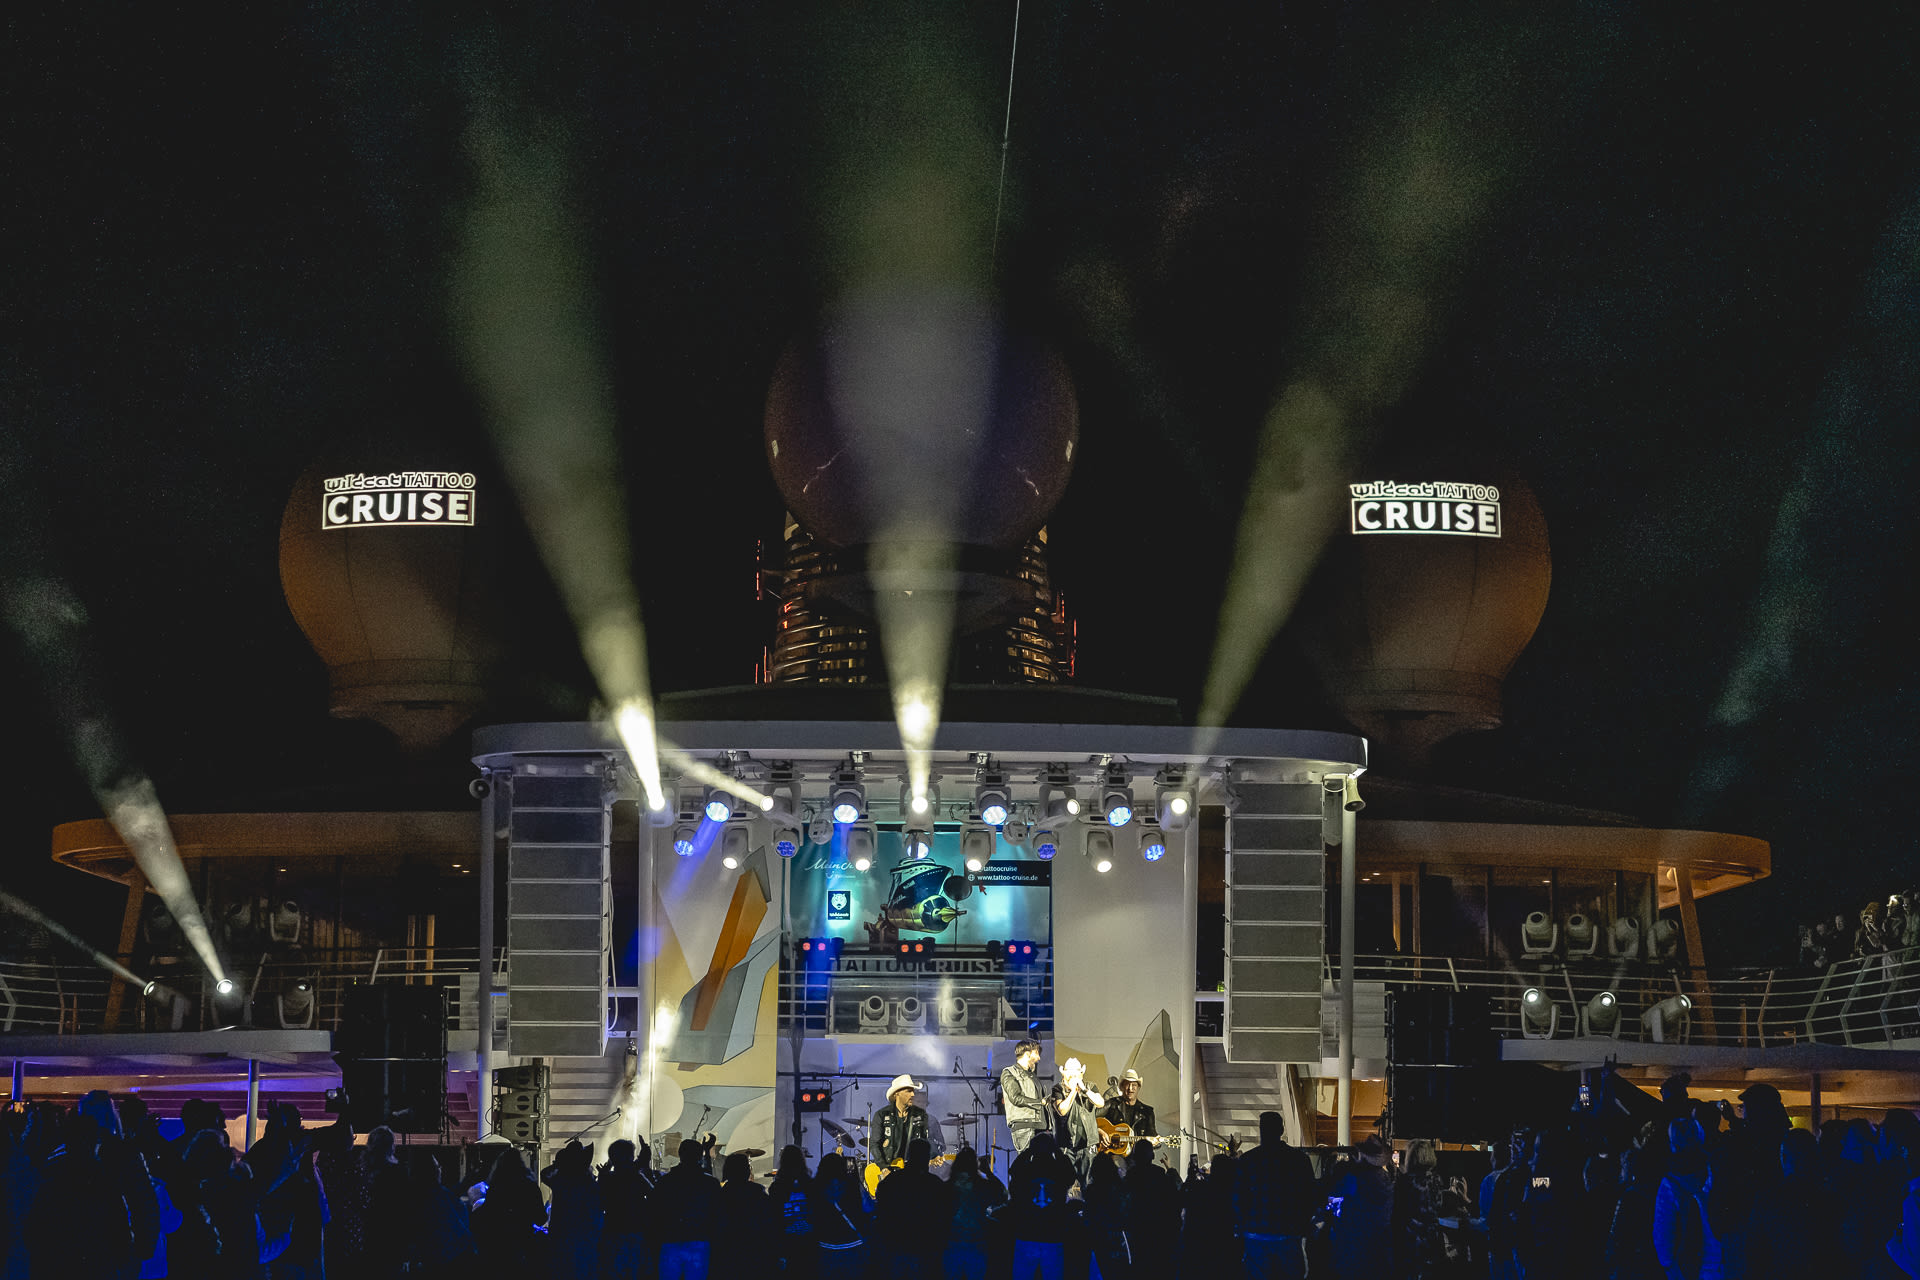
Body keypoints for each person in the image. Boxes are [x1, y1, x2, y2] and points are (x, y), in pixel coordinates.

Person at [1233, 1110, 1316, 1280]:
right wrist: (1303, 1223)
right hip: (1289, 1233)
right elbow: (1310, 1196)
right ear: (1281, 1130)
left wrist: (1242, 1224)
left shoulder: (1248, 1160)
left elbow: (1238, 1198)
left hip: (1256, 1234)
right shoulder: (1299, 1160)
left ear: (1261, 1130)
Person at [1652, 1115, 1719, 1280]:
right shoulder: (1715, 1172)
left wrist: (1668, 1266)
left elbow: (1663, 1232)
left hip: (1685, 1267)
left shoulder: (1670, 1183)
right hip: (1717, 1262)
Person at [873, 1137, 948, 1277]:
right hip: (925, 1248)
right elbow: (943, 1215)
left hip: (896, 1246)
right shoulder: (935, 1184)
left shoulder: (892, 1181)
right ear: (926, 1158)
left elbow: (880, 1202)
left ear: (909, 1156)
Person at [651, 1138, 721, 1280]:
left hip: (670, 1240)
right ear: (699, 1155)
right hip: (699, 1240)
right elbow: (717, 1214)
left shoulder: (665, 1182)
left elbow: (654, 1212)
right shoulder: (710, 1183)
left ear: (680, 1154)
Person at [1327, 1136, 1394, 1279]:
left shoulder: (1354, 1178)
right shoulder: (1386, 1179)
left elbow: (1332, 1195)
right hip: (1378, 1245)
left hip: (1354, 1245)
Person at [542, 1140, 603, 1280]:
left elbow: (544, 1174)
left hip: (560, 1238)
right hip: (583, 1241)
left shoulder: (560, 1182)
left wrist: (558, 1164)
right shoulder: (589, 1184)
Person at [942, 1147, 1004, 1280]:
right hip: (977, 1243)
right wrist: (988, 1172)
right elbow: (1002, 1195)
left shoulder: (946, 1187)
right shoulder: (982, 1185)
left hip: (952, 1242)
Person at [599, 1139, 654, 1280]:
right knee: (635, 1272)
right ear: (629, 1157)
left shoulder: (607, 1178)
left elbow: (600, 1203)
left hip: (613, 1232)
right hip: (635, 1233)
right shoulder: (636, 1178)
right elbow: (655, 1196)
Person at [714, 1151, 776, 1275]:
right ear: (746, 1171)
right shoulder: (757, 1192)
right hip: (754, 1249)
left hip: (728, 1249)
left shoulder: (721, 1194)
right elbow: (769, 1221)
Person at [811, 1152, 870, 1280]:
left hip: (826, 1247)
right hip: (853, 1245)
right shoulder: (853, 1184)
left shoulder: (815, 1188)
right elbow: (868, 1207)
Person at [1049, 1058, 1104, 1187]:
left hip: (1087, 1146)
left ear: (1081, 1074)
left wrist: (1084, 1090)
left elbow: (1100, 1103)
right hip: (1066, 1147)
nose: (1074, 1077)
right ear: (1064, 1075)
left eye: (1076, 1074)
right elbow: (1061, 1110)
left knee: (1089, 1184)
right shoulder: (1058, 1089)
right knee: (1063, 1184)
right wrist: (1074, 1091)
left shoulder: (1090, 1086)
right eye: (1070, 1075)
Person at [870, 1074, 934, 1180]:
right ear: (897, 1094)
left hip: (912, 1172)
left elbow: (925, 1141)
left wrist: (933, 1156)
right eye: (908, 1091)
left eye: (913, 1091)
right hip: (889, 1169)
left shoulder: (920, 1115)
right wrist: (884, 1168)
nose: (913, 1094)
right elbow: (874, 1144)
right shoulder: (882, 1115)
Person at [768, 1145, 816, 1279]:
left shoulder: (777, 1188)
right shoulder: (811, 1185)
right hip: (808, 1242)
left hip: (786, 1243)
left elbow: (773, 1218)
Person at [1000, 1041, 1050, 1157]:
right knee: (1028, 1164)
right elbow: (1015, 1098)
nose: (1038, 1058)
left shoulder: (1031, 1075)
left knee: (1039, 1165)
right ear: (1027, 1054)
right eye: (1036, 1053)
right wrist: (1039, 1103)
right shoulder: (1009, 1073)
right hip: (1025, 1126)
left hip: (1038, 1125)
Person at [1100, 1070, 1155, 1141]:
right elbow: (1090, 1119)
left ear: (1138, 1088)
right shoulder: (1112, 1104)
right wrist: (1099, 1131)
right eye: (1127, 1084)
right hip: (1112, 1151)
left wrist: (1155, 1142)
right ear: (1122, 1087)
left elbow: (1152, 1135)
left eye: (1134, 1085)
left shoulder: (1147, 1112)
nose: (1130, 1088)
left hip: (1137, 1151)